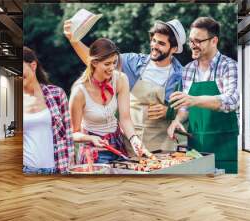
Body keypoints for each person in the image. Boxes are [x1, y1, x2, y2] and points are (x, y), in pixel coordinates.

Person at [64, 18, 186, 153]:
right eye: (154, 40)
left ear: (174, 48)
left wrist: (168, 111)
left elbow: (187, 110)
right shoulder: (133, 62)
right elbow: (99, 61)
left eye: (161, 43)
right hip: (131, 142)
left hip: (162, 145)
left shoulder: (182, 75)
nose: (154, 46)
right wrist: (74, 41)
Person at [167, 17, 239, 173]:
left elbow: (232, 101)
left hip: (225, 145)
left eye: (198, 41)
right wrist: (177, 120)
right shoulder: (187, 70)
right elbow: (185, 107)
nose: (193, 46)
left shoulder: (229, 66)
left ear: (214, 41)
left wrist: (194, 100)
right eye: (191, 41)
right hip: (197, 146)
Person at [69, 38, 151, 164]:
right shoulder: (79, 91)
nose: (112, 68)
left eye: (114, 62)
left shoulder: (120, 79)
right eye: (107, 64)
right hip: (93, 150)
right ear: (94, 62)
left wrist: (134, 139)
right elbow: (73, 133)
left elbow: (125, 118)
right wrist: (91, 138)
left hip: (117, 144)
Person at [23, 46, 75, 174]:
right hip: (26, 169)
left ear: (33, 66)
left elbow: (68, 133)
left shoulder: (57, 94)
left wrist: (71, 162)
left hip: (56, 167)